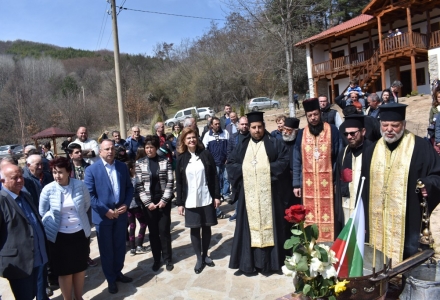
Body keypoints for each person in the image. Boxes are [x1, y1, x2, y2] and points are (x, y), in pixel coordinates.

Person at [360, 103, 440, 265]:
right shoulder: (371, 151)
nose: (389, 129)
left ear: (403, 124)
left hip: (409, 220)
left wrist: (427, 184)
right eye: (385, 125)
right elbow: (363, 187)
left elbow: (437, 174)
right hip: (377, 223)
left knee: (409, 263)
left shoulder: (420, 147)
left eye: (395, 125)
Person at [227, 111, 289, 274]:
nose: (256, 130)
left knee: (273, 227)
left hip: (271, 196)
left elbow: (284, 162)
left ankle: (273, 263)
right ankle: (250, 264)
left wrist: (265, 169)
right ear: (249, 128)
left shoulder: (274, 143)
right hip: (249, 198)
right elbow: (231, 164)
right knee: (248, 230)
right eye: (253, 127)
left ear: (264, 126)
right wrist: (246, 169)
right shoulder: (242, 145)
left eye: (259, 127)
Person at [84, 140, 134, 294]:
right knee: (107, 250)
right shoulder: (91, 170)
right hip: (103, 217)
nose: (110, 151)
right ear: (100, 151)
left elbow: (129, 188)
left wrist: (126, 203)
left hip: (120, 214)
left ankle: (118, 272)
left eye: (112, 148)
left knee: (119, 247)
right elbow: (90, 195)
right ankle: (111, 279)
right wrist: (105, 210)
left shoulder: (121, 167)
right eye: (106, 149)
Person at [39, 157, 91, 300]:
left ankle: (79, 297)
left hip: (79, 234)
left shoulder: (80, 186)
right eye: (54, 172)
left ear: (69, 172)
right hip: (59, 237)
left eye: (60, 172)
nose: (57, 176)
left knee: (80, 268)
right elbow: (43, 212)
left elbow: (86, 205)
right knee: (65, 271)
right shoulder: (48, 189)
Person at [292, 98, 342, 242]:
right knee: (308, 215)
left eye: (315, 114)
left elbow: (339, 157)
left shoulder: (332, 130)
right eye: (310, 116)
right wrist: (296, 184)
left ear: (320, 113)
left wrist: (337, 181)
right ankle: (311, 244)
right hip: (308, 185)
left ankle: (331, 244)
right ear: (306, 117)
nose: (313, 118)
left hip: (328, 183)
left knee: (331, 214)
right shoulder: (302, 134)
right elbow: (296, 159)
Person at [0, 164, 49, 300]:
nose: (20, 180)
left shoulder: (25, 195)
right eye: (14, 178)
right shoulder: (2, 201)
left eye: (21, 176)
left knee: (42, 295)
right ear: (2, 181)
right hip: (20, 264)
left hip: (39, 257)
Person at [176, 127, 221, 274]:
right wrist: (180, 203)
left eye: (193, 137)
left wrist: (216, 196)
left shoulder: (205, 154)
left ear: (197, 139)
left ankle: (205, 254)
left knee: (206, 227)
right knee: (195, 229)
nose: (191, 140)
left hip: (206, 197)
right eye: (188, 138)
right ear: (184, 141)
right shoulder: (181, 158)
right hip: (190, 199)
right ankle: (198, 258)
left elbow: (214, 176)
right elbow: (179, 182)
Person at [135, 135, 175, 272]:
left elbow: (170, 182)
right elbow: (139, 185)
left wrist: (164, 200)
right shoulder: (139, 163)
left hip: (163, 201)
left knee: (164, 231)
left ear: (156, 147)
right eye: (146, 147)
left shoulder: (165, 161)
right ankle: (156, 259)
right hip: (149, 203)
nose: (149, 150)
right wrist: (147, 203)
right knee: (153, 232)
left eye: (151, 147)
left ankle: (168, 258)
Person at [334, 115, 371, 236]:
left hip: (365, 207)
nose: (349, 137)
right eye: (346, 134)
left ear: (363, 131)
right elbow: (339, 182)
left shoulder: (372, 150)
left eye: (353, 133)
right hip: (346, 206)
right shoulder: (343, 153)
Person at [67, 143, 98, 267]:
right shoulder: (68, 169)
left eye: (80, 151)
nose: (80, 154)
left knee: (87, 230)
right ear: (70, 155)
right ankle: (76, 257)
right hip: (73, 204)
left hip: (88, 202)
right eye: (76, 152)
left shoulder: (89, 167)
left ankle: (86, 255)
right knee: (74, 231)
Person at [202, 117, 232, 210]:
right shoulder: (207, 135)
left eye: (219, 123)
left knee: (226, 178)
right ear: (211, 125)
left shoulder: (225, 133)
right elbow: (205, 149)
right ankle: (218, 195)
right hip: (215, 162)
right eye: (216, 124)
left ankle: (226, 194)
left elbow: (229, 146)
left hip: (225, 161)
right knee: (217, 179)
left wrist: (228, 157)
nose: (218, 125)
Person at [226, 116, 250, 221]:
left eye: (246, 124)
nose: (244, 126)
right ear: (238, 125)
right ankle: (238, 212)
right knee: (237, 191)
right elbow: (229, 152)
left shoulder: (252, 137)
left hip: (249, 168)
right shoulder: (233, 137)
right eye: (242, 124)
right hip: (237, 170)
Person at [125, 160, 149, 256]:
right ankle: (139, 245)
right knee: (143, 224)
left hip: (128, 206)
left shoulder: (123, 180)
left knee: (132, 225)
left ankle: (132, 248)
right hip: (136, 205)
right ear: (131, 169)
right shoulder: (135, 179)